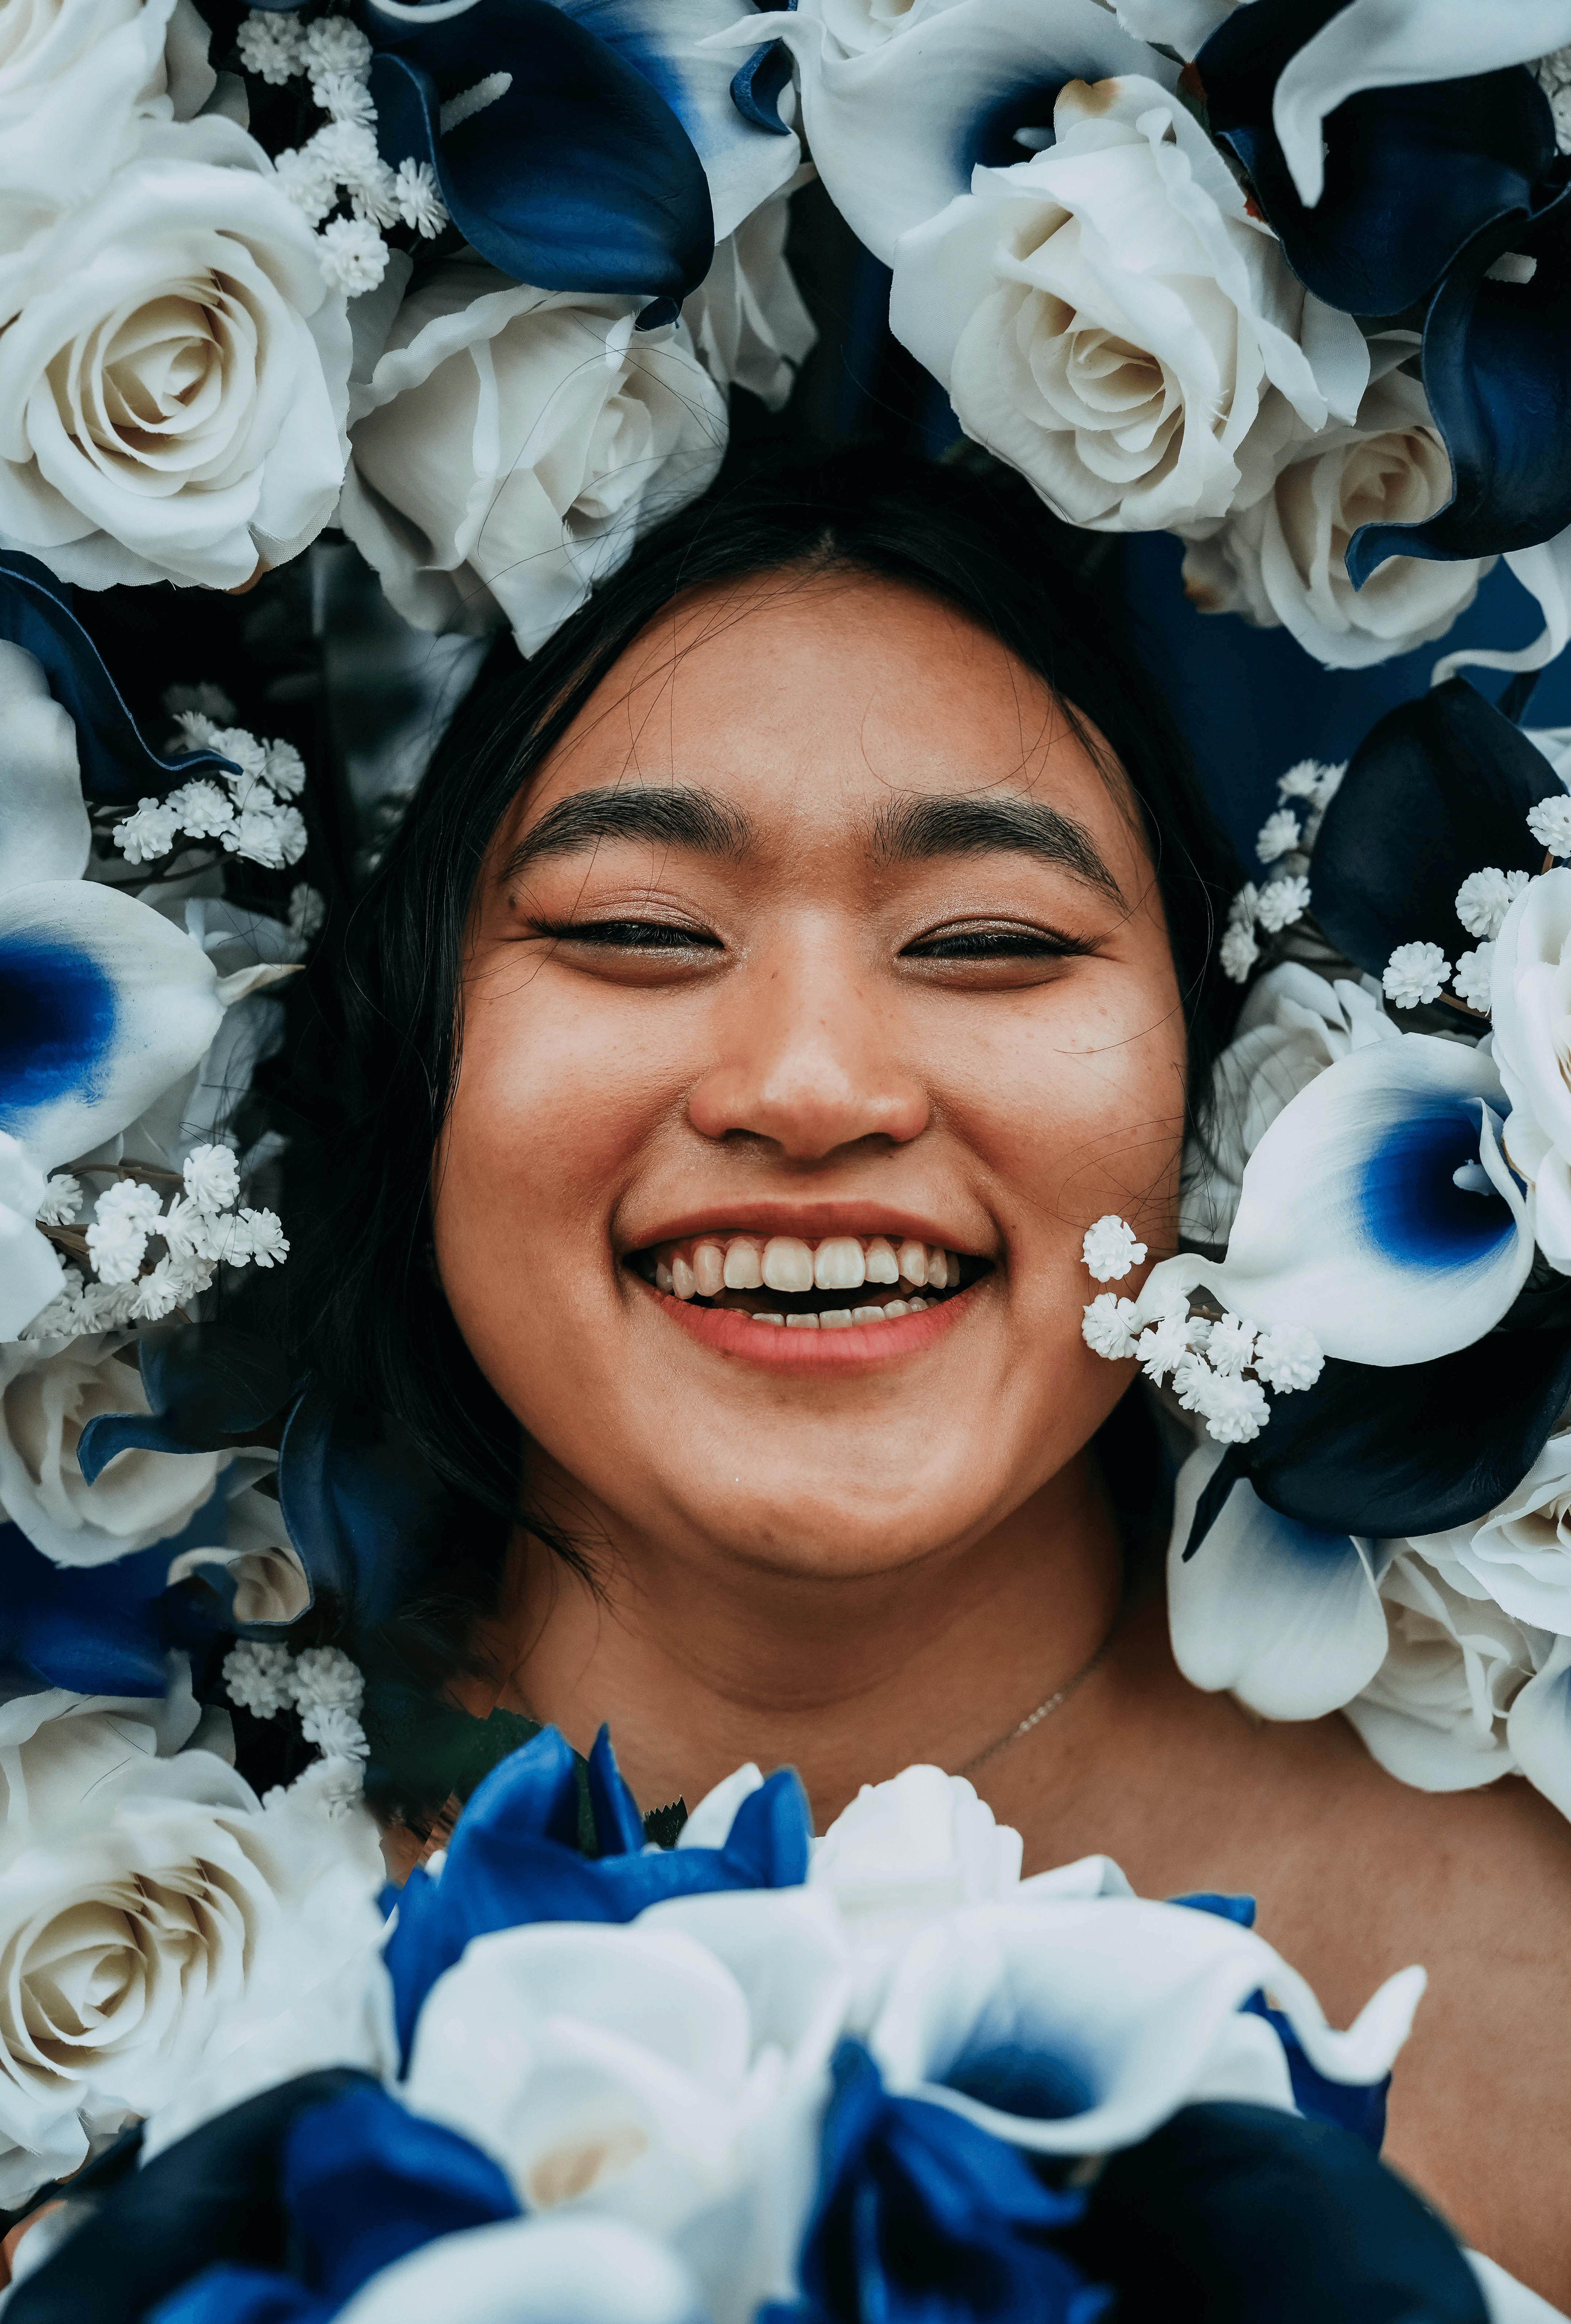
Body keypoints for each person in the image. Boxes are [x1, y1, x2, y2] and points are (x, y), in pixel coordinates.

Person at [307, 452, 1571, 2304]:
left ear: (1222, 1094)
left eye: (988, 942)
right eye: (636, 931)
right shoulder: (122, 1928)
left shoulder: (1534, 1971)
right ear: (411, 1061)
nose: (812, 1088)